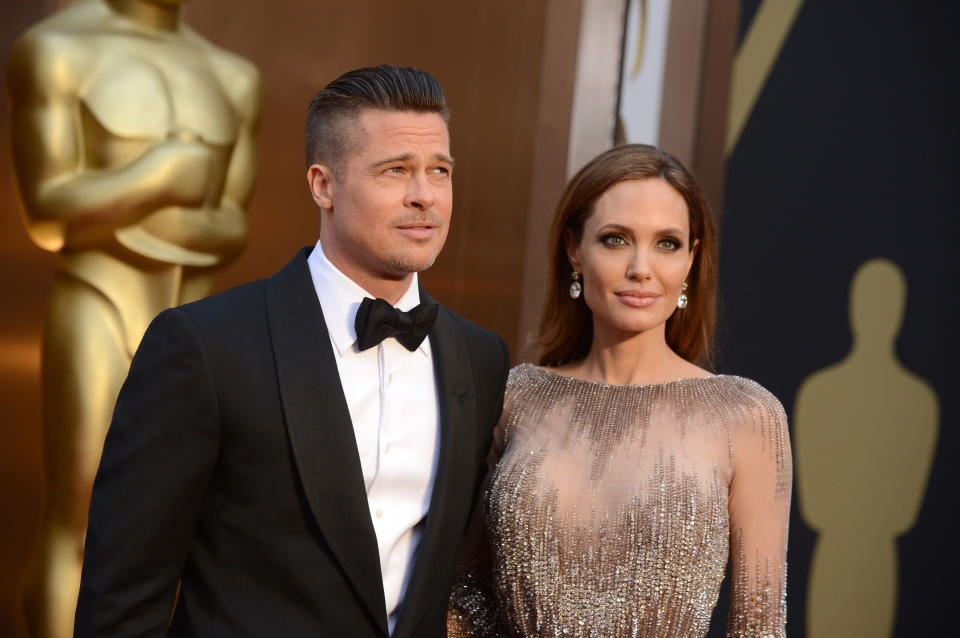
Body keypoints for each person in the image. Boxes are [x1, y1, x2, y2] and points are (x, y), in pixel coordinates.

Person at [75, 65, 510, 638]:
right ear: (322, 185)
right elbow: (123, 595)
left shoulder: (480, 358)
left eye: (439, 171)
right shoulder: (204, 346)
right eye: (395, 171)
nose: (424, 196)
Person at [448, 144, 791, 637]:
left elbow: (758, 627)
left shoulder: (745, 416)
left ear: (692, 260)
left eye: (667, 243)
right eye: (615, 239)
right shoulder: (516, 398)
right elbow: (465, 600)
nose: (641, 268)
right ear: (574, 250)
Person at [7, 2, 261, 635]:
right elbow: (47, 211)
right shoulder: (57, 50)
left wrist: (123, 206)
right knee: (82, 517)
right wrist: (161, 174)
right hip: (99, 304)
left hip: (196, 325)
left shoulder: (232, 76)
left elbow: (231, 225)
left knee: (178, 525)